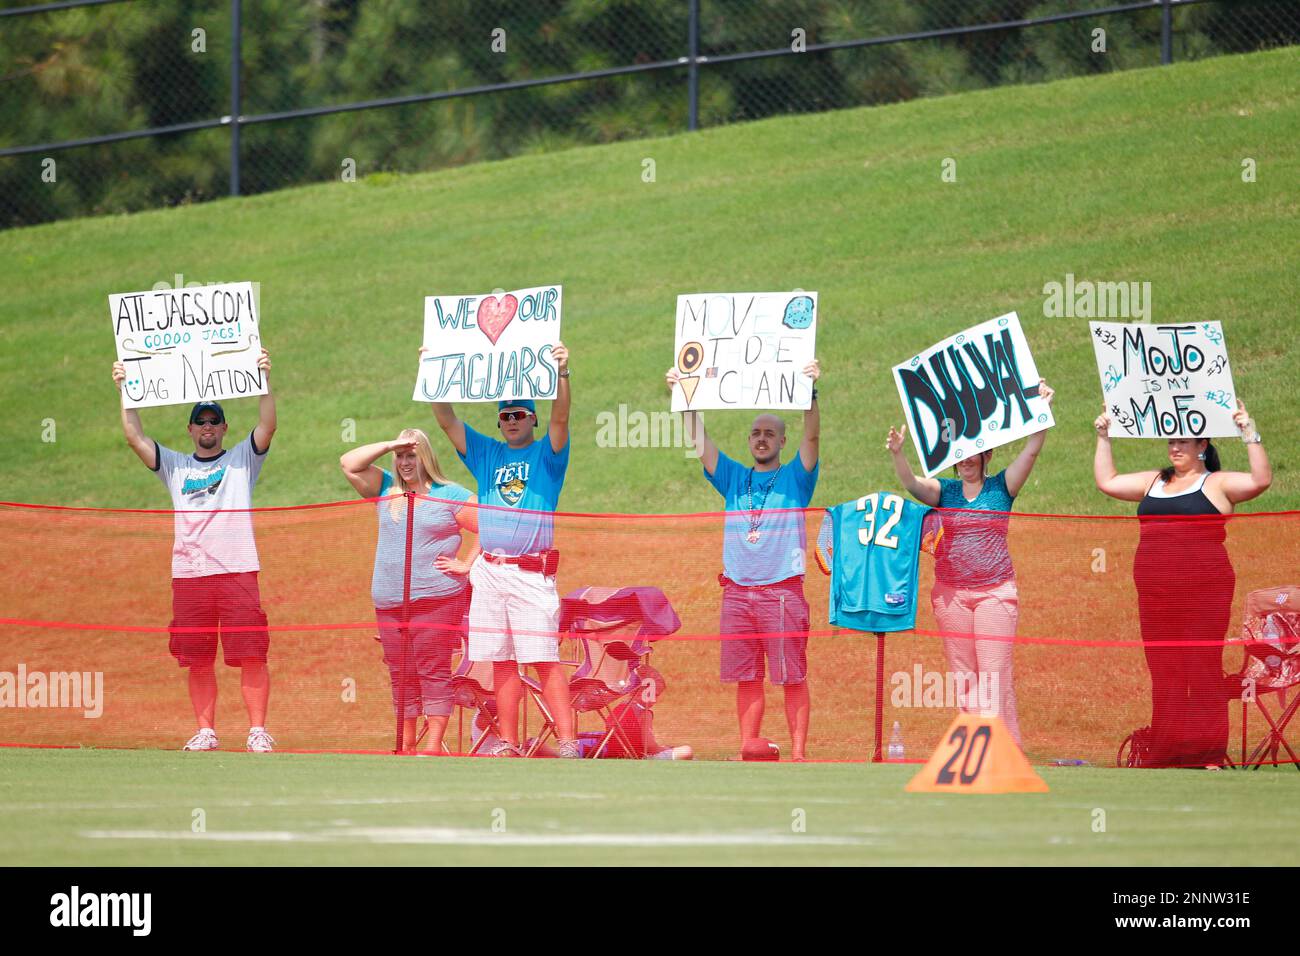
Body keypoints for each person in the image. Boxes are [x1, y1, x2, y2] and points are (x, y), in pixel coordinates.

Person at [111, 350, 277, 752]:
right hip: (190, 574)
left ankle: (257, 731)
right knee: (198, 658)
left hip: (237, 570)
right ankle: (206, 731)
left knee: (251, 653)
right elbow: (134, 436)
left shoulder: (242, 459)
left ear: (224, 427)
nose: (208, 426)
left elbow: (268, 425)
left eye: (214, 421)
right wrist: (124, 389)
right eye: (200, 421)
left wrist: (264, 377)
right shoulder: (175, 466)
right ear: (189, 429)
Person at [1094, 398, 1271, 768]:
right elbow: (1106, 481)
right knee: (1165, 670)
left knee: (1201, 666)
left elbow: (1260, 480)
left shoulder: (1216, 483)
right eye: (1171, 441)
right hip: (1155, 594)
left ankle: (1208, 755)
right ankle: (1167, 752)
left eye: (1184, 442)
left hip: (1204, 592)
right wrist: (1104, 436)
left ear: (1202, 446)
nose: (1175, 448)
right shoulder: (1153, 481)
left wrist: (1248, 431)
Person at [885, 379, 1055, 745]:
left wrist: (1042, 409)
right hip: (951, 597)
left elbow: (1032, 451)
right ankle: (974, 752)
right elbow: (913, 485)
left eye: (971, 454)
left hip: (995, 594)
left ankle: (1004, 752)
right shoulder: (944, 491)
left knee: (994, 675)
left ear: (985, 455)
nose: (965, 461)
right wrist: (899, 454)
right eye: (959, 454)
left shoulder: (1001, 488)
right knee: (965, 679)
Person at [430, 342, 579, 757]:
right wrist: (432, 371)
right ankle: (509, 742)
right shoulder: (487, 454)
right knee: (501, 661)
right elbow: (446, 420)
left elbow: (562, 417)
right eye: (504, 416)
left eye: (519, 415)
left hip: (531, 573)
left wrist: (562, 374)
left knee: (543, 658)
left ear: (532, 418)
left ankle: (568, 741)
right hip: (490, 570)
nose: (511, 421)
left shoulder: (547, 455)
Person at [667, 359, 821, 761]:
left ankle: (800, 755)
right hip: (737, 592)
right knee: (746, 678)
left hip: (782, 592)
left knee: (791, 676)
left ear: (783, 441)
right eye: (756, 433)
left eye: (770, 433)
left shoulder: (796, 478)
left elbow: (813, 439)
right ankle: (747, 748)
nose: (762, 439)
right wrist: (684, 400)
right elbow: (702, 447)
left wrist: (810, 395)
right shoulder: (735, 477)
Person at [340, 429, 478, 755]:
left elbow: (493, 524)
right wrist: (390, 443)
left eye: (411, 455)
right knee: (401, 673)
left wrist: (467, 564)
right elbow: (348, 463)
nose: (404, 462)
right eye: (401, 456)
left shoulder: (450, 493)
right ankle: (405, 743)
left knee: (433, 669)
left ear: (425, 457)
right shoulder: (385, 488)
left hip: (437, 598)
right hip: (388, 600)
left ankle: (432, 746)